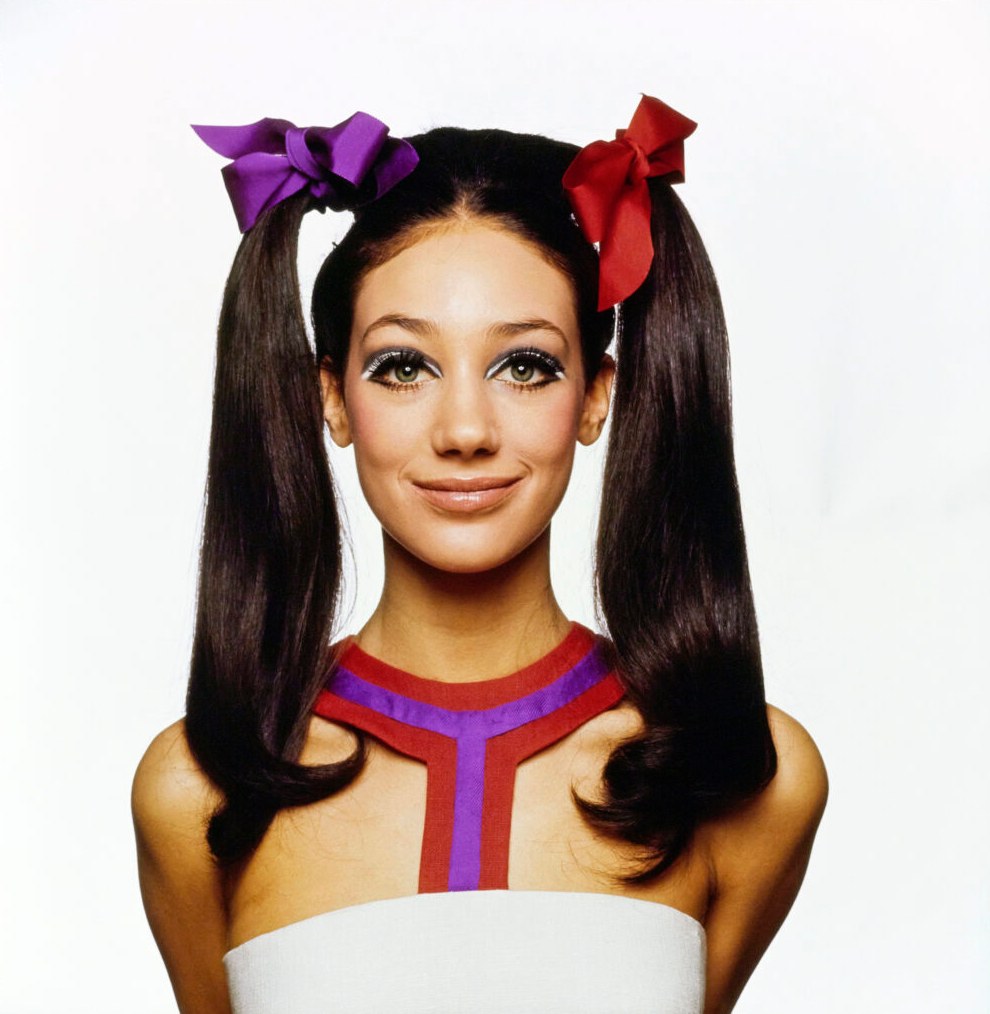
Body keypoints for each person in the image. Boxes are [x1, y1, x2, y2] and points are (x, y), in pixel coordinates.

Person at [131, 96, 828, 1014]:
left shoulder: (739, 775)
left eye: (526, 366)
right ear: (331, 398)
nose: (466, 430)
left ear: (594, 396)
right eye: (403, 367)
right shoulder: (198, 792)